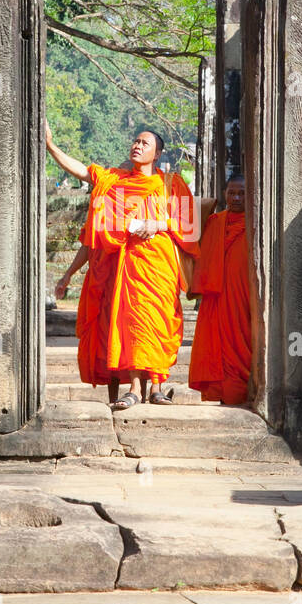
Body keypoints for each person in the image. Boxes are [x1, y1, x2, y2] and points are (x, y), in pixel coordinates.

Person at [45, 124, 199, 409]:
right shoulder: (115, 182)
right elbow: (82, 171)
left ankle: (157, 386)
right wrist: (51, 146)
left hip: (160, 268)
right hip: (128, 266)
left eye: (144, 143)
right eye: (135, 141)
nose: (137, 146)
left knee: (159, 324)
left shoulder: (171, 184)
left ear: (157, 154)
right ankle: (135, 389)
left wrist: (159, 224)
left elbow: (190, 224)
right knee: (131, 325)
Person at [188, 175, 251, 406]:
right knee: (218, 345)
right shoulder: (213, 222)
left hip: (244, 297)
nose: (236, 198)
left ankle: (245, 391)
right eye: (231, 192)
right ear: (224, 193)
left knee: (243, 341)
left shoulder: (256, 224)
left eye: (242, 193)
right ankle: (225, 393)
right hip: (217, 296)